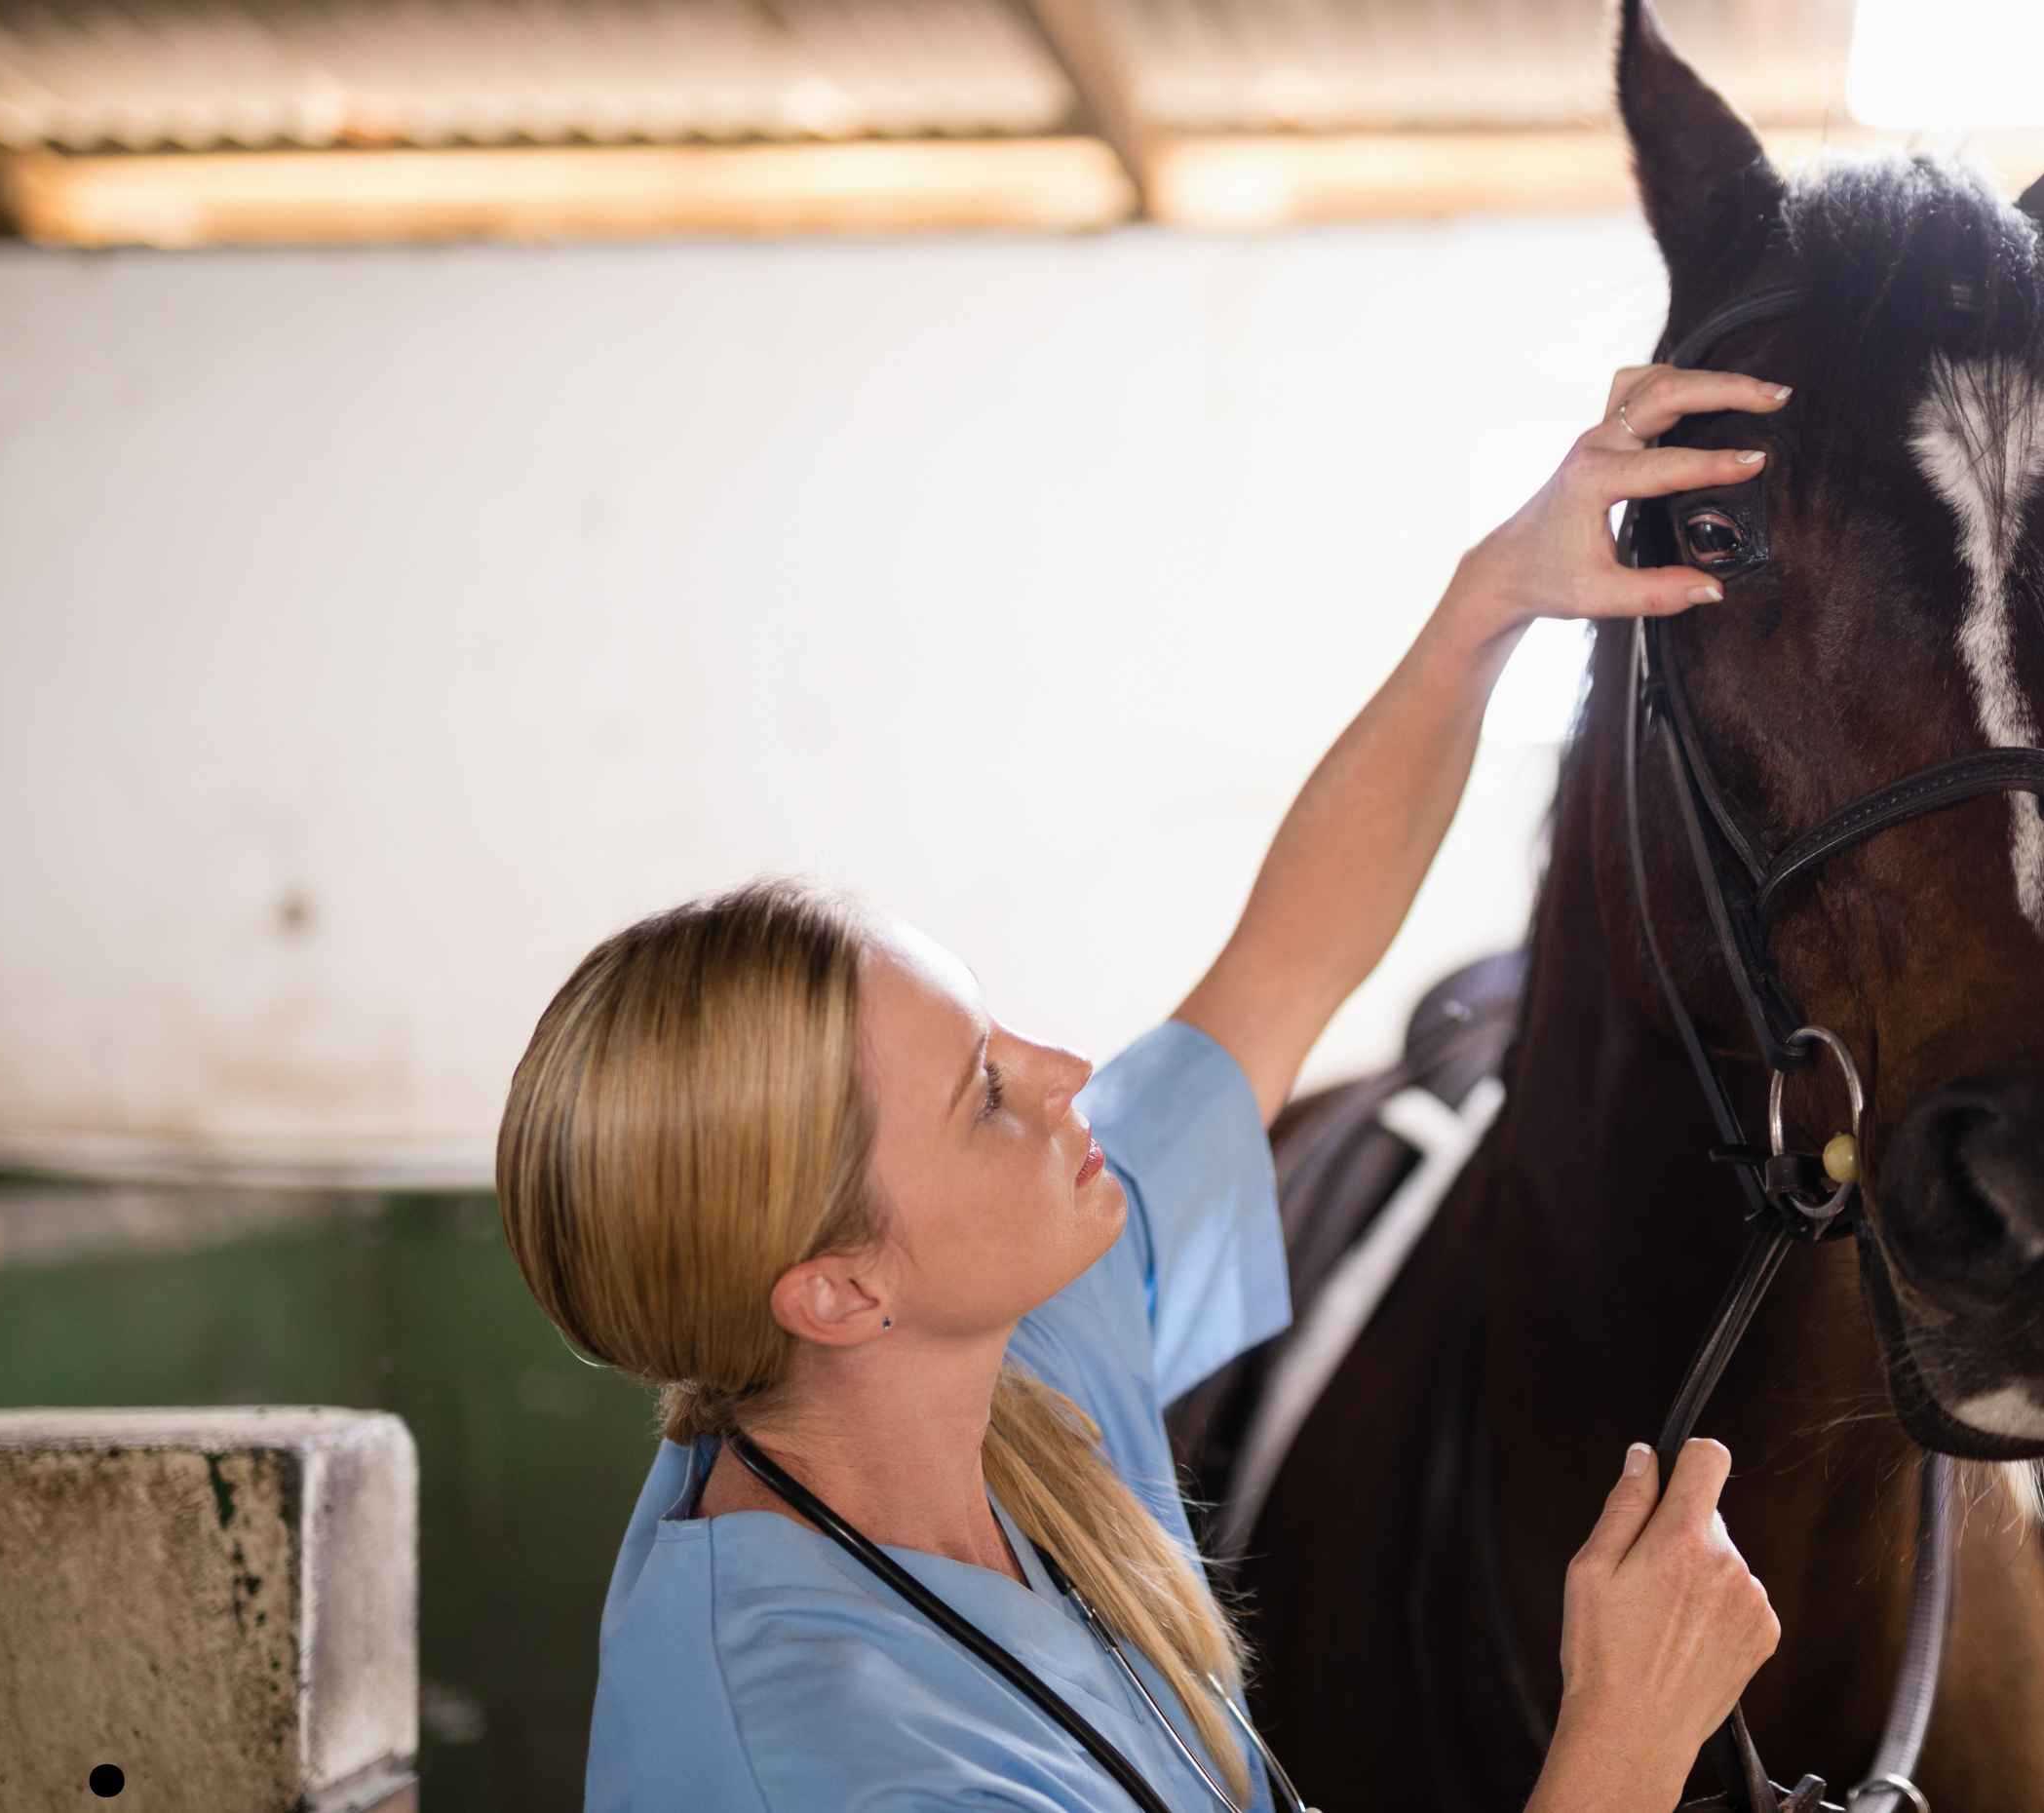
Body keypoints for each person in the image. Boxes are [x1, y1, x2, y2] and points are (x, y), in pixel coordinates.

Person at [496, 358, 1797, 1813]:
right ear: (841, 1289)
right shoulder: (837, 1759)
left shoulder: (1016, 1366)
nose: (1064, 1074)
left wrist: (1490, 603)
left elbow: (1286, 964)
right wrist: (1625, 1735)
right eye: (983, 1094)